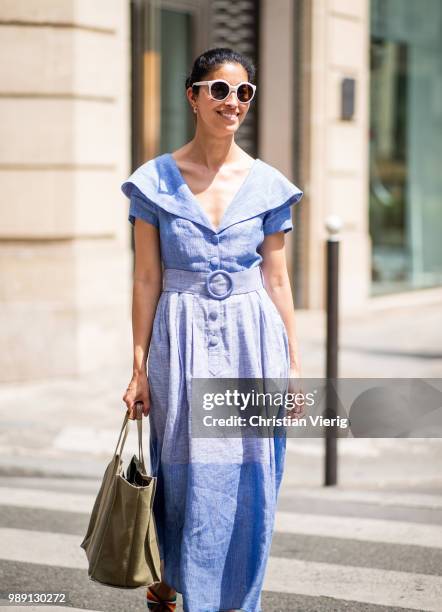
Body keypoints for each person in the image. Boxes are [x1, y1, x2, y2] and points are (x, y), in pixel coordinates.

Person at [121, 47, 304, 612]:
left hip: (252, 342)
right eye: (220, 90)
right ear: (193, 95)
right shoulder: (154, 182)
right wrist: (137, 369)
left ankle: (232, 602)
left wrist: (294, 368)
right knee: (183, 473)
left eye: (243, 92)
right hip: (180, 341)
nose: (232, 102)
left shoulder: (269, 185)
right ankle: (171, 582)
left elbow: (277, 280)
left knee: (250, 476)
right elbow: (147, 278)